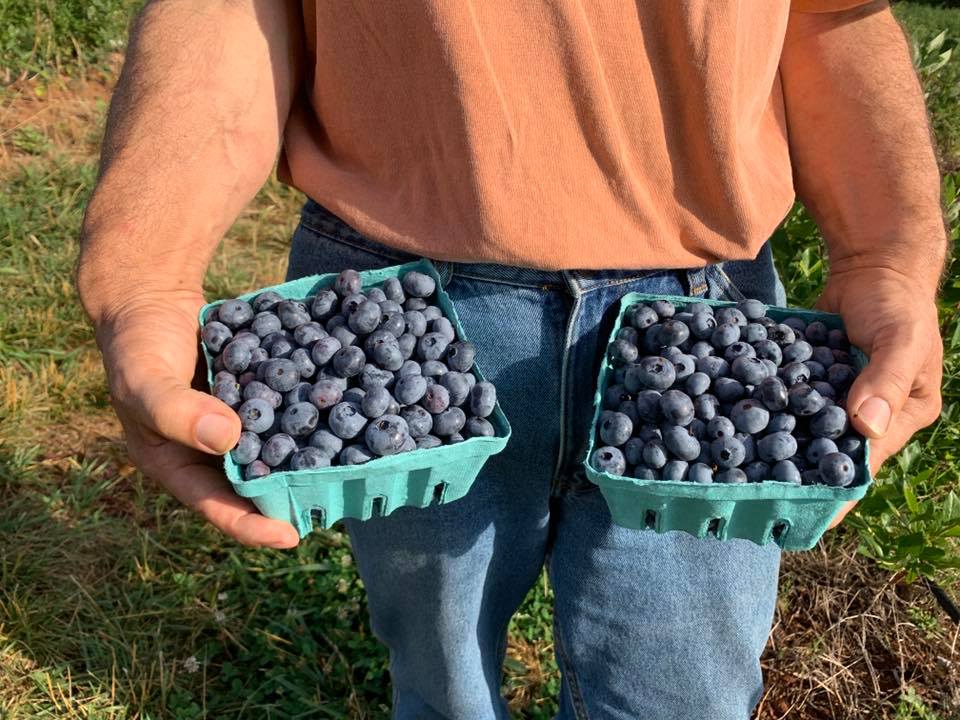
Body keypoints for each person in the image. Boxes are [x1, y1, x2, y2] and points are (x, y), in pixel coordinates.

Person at [76, 0, 946, 717]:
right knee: (440, 676)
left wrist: (883, 256)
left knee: (683, 698)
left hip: (705, 328)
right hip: (396, 318)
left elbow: (833, 16)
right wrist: (145, 267)